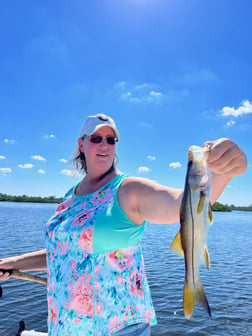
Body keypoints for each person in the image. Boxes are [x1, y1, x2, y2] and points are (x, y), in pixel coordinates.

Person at [0, 114, 247, 336]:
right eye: (96, 138)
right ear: (81, 144)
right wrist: (12, 263)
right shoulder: (70, 197)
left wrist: (224, 170)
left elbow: (182, 204)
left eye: (111, 139)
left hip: (119, 327)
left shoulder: (129, 189)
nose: (105, 145)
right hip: (66, 325)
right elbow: (65, 254)